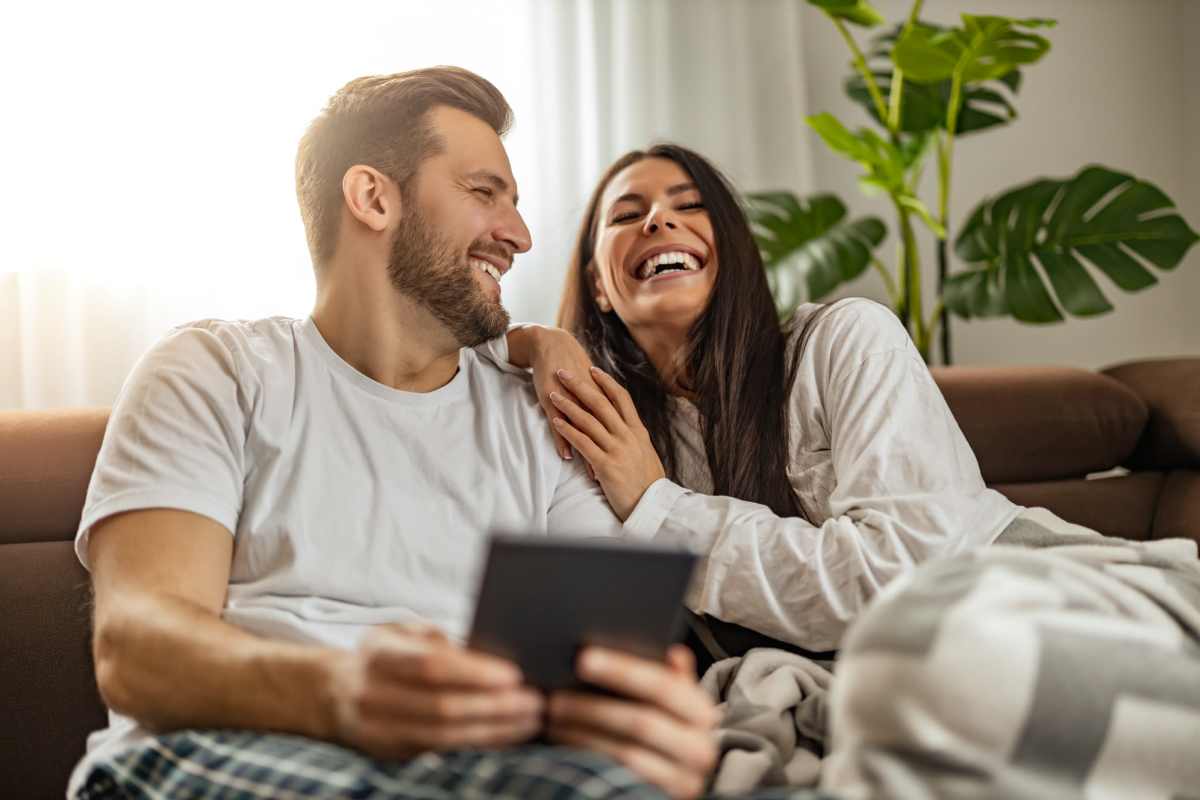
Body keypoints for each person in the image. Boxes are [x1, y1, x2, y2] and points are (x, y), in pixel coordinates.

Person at [68, 70, 785, 800]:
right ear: (375, 198)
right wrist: (342, 692)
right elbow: (136, 649)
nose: (521, 236)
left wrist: (639, 720)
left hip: (480, 769)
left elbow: (602, 662)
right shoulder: (214, 373)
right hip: (216, 752)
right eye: (484, 193)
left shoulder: (537, 417)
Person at [484, 144, 1200, 798]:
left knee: (939, 677)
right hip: (874, 678)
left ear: (730, 253)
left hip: (1040, 602)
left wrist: (657, 503)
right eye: (628, 215)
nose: (659, 223)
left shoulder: (844, 339)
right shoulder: (611, 427)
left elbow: (902, 581)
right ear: (600, 287)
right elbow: (437, 353)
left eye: (689, 205)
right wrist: (537, 340)